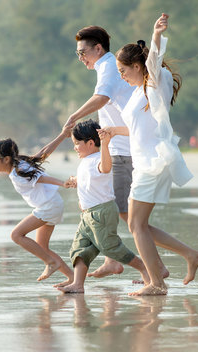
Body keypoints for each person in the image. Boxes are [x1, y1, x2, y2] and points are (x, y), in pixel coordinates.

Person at [99, 13, 198, 295]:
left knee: (135, 223)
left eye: (124, 71)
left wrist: (156, 34)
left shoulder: (154, 83)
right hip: (145, 160)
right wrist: (113, 132)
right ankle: (189, 256)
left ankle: (156, 283)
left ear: (137, 66)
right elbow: (139, 130)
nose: (121, 76)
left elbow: (154, 60)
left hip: (154, 162)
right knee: (139, 224)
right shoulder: (137, 92)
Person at [63, 25, 152, 279]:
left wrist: (74, 116)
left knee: (129, 216)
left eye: (83, 52)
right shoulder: (107, 66)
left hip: (124, 151)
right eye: (78, 54)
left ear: (98, 48)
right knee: (116, 208)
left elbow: (101, 97)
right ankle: (114, 261)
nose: (81, 58)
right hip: (120, 148)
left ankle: (157, 266)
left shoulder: (108, 67)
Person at [57, 119, 150, 294]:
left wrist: (106, 144)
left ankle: (145, 268)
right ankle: (78, 284)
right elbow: (88, 179)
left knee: (110, 247)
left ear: (91, 143)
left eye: (77, 144)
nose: (75, 147)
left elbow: (106, 168)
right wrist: (75, 182)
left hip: (102, 213)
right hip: (87, 216)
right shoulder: (85, 161)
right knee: (79, 248)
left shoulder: (98, 159)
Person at [0, 130, 74, 286]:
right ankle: (71, 277)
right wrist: (62, 135)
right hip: (52, 204)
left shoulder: (17, 173)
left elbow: (41, 178)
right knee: (42, 246)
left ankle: (50, 263)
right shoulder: (20, 164)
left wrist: (63, 183)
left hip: (48, 207)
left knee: (16, 235)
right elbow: (42, 154)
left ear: (6, 159)